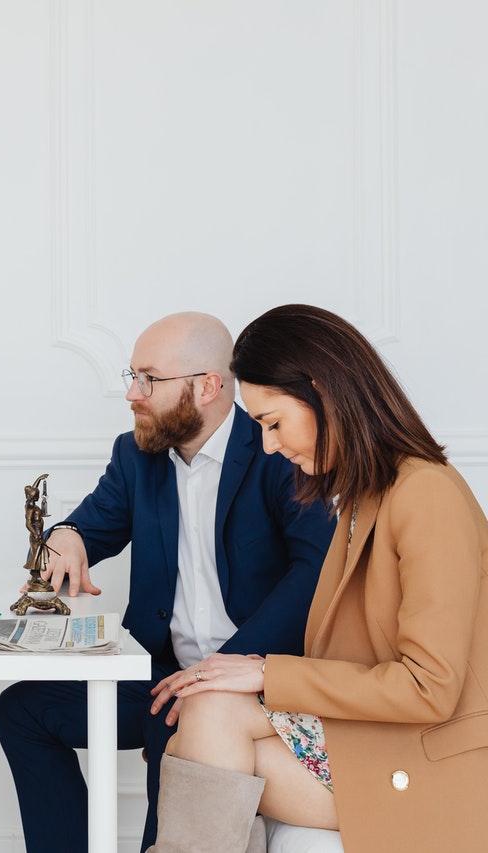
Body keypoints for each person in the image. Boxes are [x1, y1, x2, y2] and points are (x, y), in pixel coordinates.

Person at [146, 304, 488, 852]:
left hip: (432, 760)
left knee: (200, 736)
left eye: (273, 423)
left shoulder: (427, 494)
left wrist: (266, 671)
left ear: (322, 393)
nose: (269, 446)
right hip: (376, 739)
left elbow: (430, 688)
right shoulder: (363, 497)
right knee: (206, 713)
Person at [0, 311, 335, 852]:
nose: (133, 393)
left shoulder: (277, 450)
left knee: (175, 723)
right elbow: (93, 522)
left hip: (253, 683)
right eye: (133, 376)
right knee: (22, 711)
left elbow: (314, 570)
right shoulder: (136, 456)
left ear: (207, 386)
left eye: (148, 378)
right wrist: (69, 535)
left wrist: (224, 671)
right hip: (160, 673)